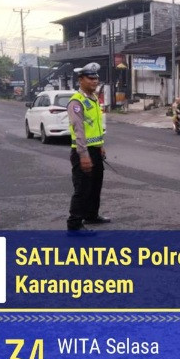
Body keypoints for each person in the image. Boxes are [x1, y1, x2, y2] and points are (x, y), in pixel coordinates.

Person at [66, 63, 111, 233]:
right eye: (90, 78)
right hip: (82, 152)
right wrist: (84, 155)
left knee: (95, 186)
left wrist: (100, 146)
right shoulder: (76, 101)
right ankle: (74, 224)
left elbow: (96, 127)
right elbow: (79, 130)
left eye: (96, 78)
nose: (95, 81)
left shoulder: (93, 99)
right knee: (83, 188)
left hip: (95, 150)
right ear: (81, 80)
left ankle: (91, 215)